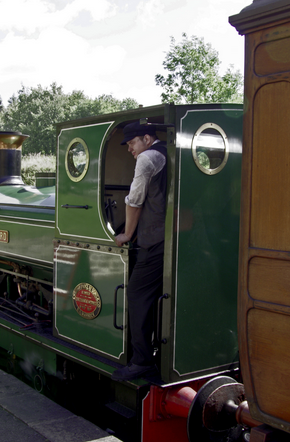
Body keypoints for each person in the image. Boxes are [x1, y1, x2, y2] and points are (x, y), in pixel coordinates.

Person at [111, 121, 167, 382]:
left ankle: (142, 361)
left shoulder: (147, 157)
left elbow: (134, 200)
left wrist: (126, 234)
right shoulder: (168, 153)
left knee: (135, 293)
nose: (130, 149)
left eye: (132, 143)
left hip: (153, 242)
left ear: (146, 138)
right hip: (167, 239)